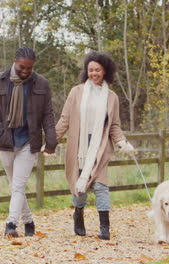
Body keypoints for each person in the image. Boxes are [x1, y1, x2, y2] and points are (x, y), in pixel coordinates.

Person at [55, 51, 134, 240]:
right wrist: (52, 141)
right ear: (86, 71)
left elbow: (114, 125)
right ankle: (78, 214)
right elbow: (65, 119)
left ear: (105, 71)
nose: (94, 74)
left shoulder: (112, 97)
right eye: (90, 70)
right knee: (80, 186)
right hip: (79, 147)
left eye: (97, 70)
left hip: (100, 147)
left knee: (100, 186)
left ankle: (104, 228)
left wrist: (122, 142)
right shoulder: (77, 92)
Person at [0, 47, 57, 237]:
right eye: (21, 67)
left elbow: (48, 114)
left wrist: (51, 140)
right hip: (6, 140)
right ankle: (29, 221)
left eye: (29, 68)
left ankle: (11, 224)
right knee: (14, 184)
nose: (25, 71)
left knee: (18, 185)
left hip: (29, 141)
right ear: (14, 61)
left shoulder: (41, 84)